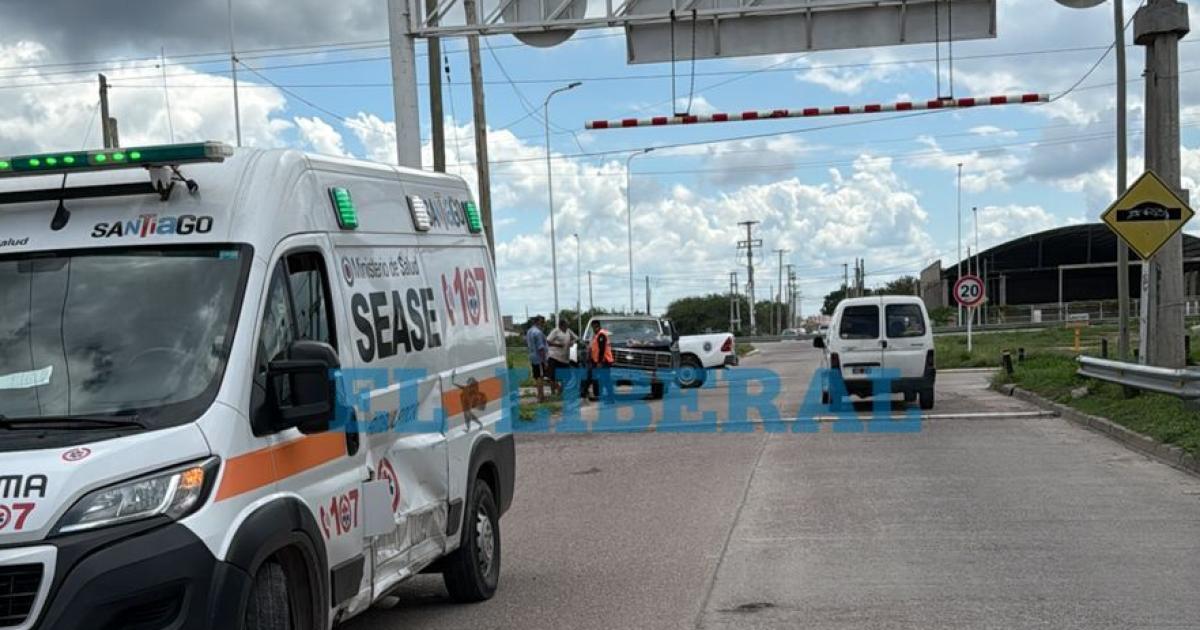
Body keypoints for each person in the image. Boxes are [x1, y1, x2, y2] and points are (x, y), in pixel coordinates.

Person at [546, 318, 578, 396]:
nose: (567, 326)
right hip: (554, 356)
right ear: (561, 325)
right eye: (566, 325)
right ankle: (553, 392)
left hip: (564, 358)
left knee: (568, 376)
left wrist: (572, 342)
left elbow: (577, 338)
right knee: (552, 376)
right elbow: (548, 341)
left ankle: (561, 390)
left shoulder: (568, 331)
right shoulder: (555, 331)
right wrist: (558, 345)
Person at [588, 319, 615, 403]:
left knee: (606, 380)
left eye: (594, 327)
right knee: (598, 378)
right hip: (599, 361)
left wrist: (599, 362)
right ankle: (599, 395)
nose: (593, 329)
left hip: (604, 361)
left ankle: (610, 398)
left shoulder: (601, 335)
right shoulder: (597, 335)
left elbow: (602, 349)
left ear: (597, 326)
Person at [525, 316, 549, 402]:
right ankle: (541, 396)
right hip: (539, 358)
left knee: (536, 376)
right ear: (538, 322)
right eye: (542, 322)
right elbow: (541, 348)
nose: (543, 324)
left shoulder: (529, 331)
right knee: (540, 377)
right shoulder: (538, 333)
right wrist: (545, 361)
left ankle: (539, 395)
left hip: (532, 356)